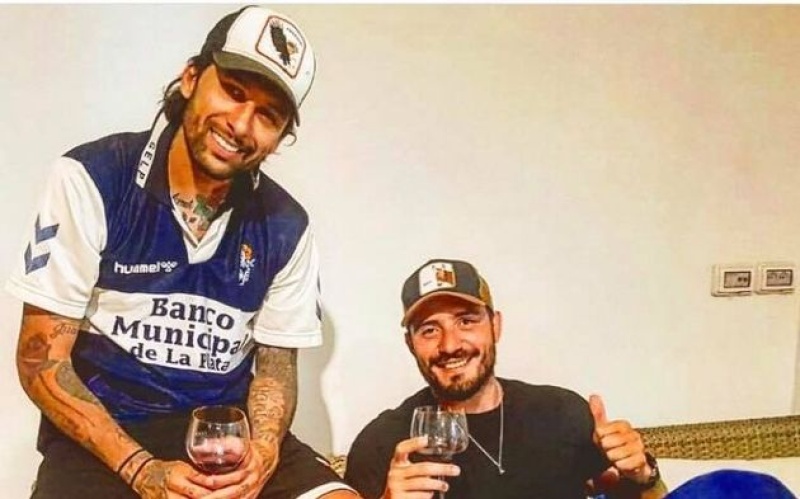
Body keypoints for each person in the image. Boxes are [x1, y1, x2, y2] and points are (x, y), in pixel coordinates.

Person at [7, 5, 358, 499]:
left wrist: (261, 455)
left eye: (268, 116)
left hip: (224, 434)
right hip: (107, 438)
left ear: (281, 137)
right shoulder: (92, 177)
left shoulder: (286, 224)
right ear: (191, 77)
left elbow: (276, 368)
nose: (241, 125)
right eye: (233, 91)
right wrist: (141, 469)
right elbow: (39, 359)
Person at [344, 258, 668, 499]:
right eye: (429, 330)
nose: (450, 345)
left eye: (466, 321)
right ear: (410, 344)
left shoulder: (562, 412)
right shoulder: (381, 443)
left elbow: (632, 491)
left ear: (495, 326)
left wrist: (643, 474)